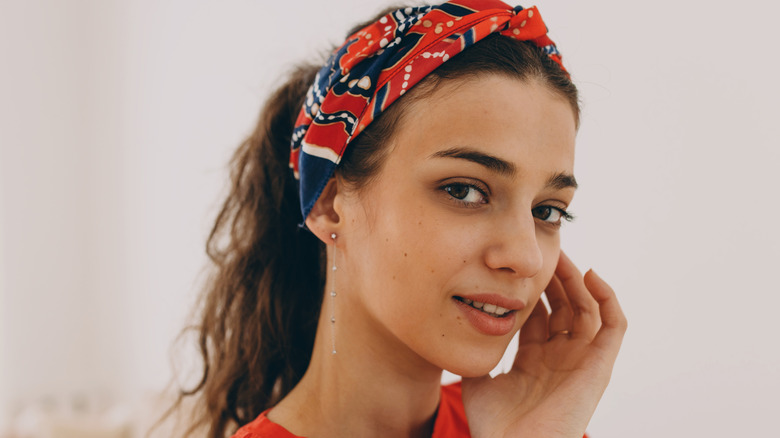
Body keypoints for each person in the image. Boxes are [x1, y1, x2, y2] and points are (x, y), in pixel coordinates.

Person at [167, 1, 627, 437]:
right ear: (329, 203)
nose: (526, 257)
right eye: (465, 191)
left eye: (547, 211)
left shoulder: (531, 424)